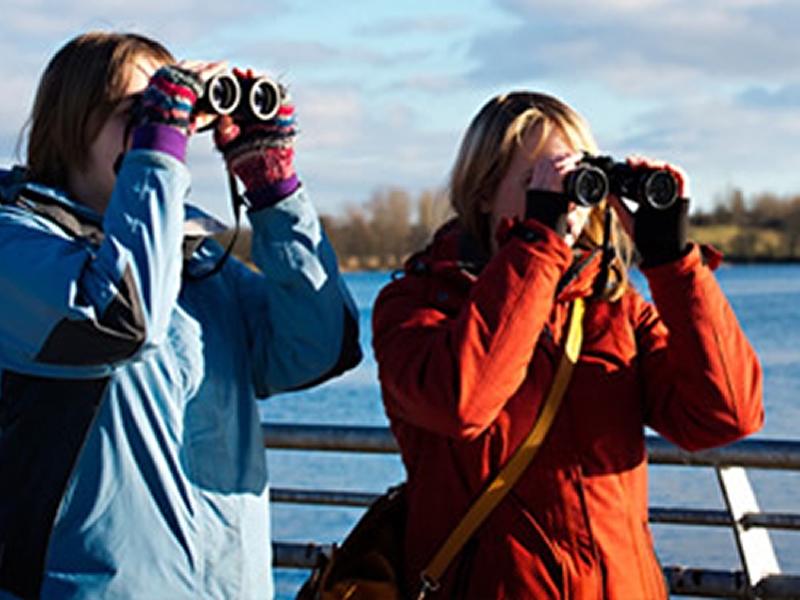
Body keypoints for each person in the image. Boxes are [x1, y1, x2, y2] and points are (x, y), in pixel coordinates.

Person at [0, 31, 361, 600]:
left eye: (170, 113)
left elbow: (316, 348)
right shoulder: (16, 245)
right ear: (71, 123)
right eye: (138, 113)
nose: (162, 131)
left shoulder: (193, 262)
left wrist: (273, 193)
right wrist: (157, 153)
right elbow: (117, 319)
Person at [371, 91, 764, 599]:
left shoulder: (613, 309)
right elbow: (463, 402)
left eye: (580, 177)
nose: (570, 198)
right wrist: (539, 242)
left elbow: (725, 414)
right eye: (544, 180)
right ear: (484, 192)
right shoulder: (418, 304)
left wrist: (673, 261)